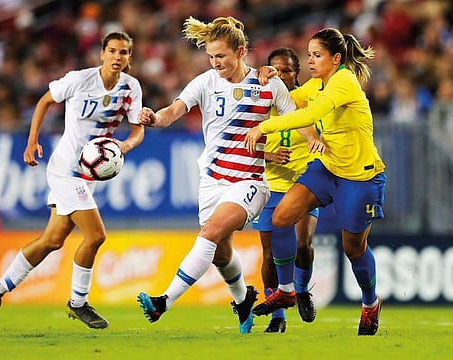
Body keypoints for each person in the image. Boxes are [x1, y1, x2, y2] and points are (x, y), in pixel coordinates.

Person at [136, 16, 318, 334]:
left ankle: (163, 301)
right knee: (220, 252)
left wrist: (312, 138)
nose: (215, 62)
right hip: (212, 180)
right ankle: (243, 298)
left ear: (240, 51)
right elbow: (172, 112)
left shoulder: (267, 84)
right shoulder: (205, 82)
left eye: (221, 56)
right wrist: (153, 117)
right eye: (211, 56)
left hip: (249, 182)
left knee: (209, 233)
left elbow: (295, 116)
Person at [0, 32, 144, 329]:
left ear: (129, 57)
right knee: (96, 236)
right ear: (102, 54)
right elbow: (44, 101)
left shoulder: (131, 88)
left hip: (89, 173)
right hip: (67, 168)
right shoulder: (79, 79)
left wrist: (124, 146)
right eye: (112, 51)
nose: (118, 57)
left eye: (124, 52)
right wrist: (32, 142)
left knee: (53, 240)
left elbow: (137, 130)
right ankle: (78, 302)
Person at [245, 28, 386, 336]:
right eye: (308, 54)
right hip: (327, 169)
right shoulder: (316, 83)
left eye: (317, 55)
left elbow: (312, 113)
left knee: (353, 249)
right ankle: (287, 290)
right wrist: (260, 80)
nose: (311, 60)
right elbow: (284, 100)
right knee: (281, 218)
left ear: (336, 58)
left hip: (360, 176)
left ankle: (370, 303)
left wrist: (264, 127)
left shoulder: (344, 82)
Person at [251, 47, 321, 333]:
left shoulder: (309, 102)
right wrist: (270, 156)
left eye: (288, 70)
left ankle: (301, 289)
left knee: (302, 244)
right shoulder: (260, 103)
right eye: (275, 70)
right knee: (269, 255)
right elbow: (245, 144)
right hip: (270, 186)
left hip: (303, 184)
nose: (281, 75)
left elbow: (321, 137)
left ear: (297, 73)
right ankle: (277, 315)